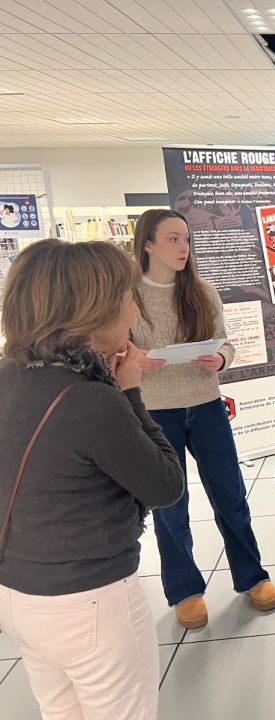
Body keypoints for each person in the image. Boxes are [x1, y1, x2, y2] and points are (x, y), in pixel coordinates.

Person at [0, 239, 184, 720]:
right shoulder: (91, 400)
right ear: (95, 308)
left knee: (60, 711)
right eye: (127, 297)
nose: (133, 310)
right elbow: (166, 484)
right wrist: (129, 393)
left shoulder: (7, 376)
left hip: (17, 594)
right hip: (90, 603)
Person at [131, 209, 275, 630]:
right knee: (170, 505)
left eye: (186, 239)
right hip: (156, 412)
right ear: (148, 244)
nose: (183, 248)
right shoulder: (128, 296)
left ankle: (252, 577)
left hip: (207, 405)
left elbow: (226, 344)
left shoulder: (201, 290)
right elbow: (117, 353)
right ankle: (185, 591)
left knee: (230, 495)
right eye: (173, 239)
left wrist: (221, 358)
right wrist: (137, 360)